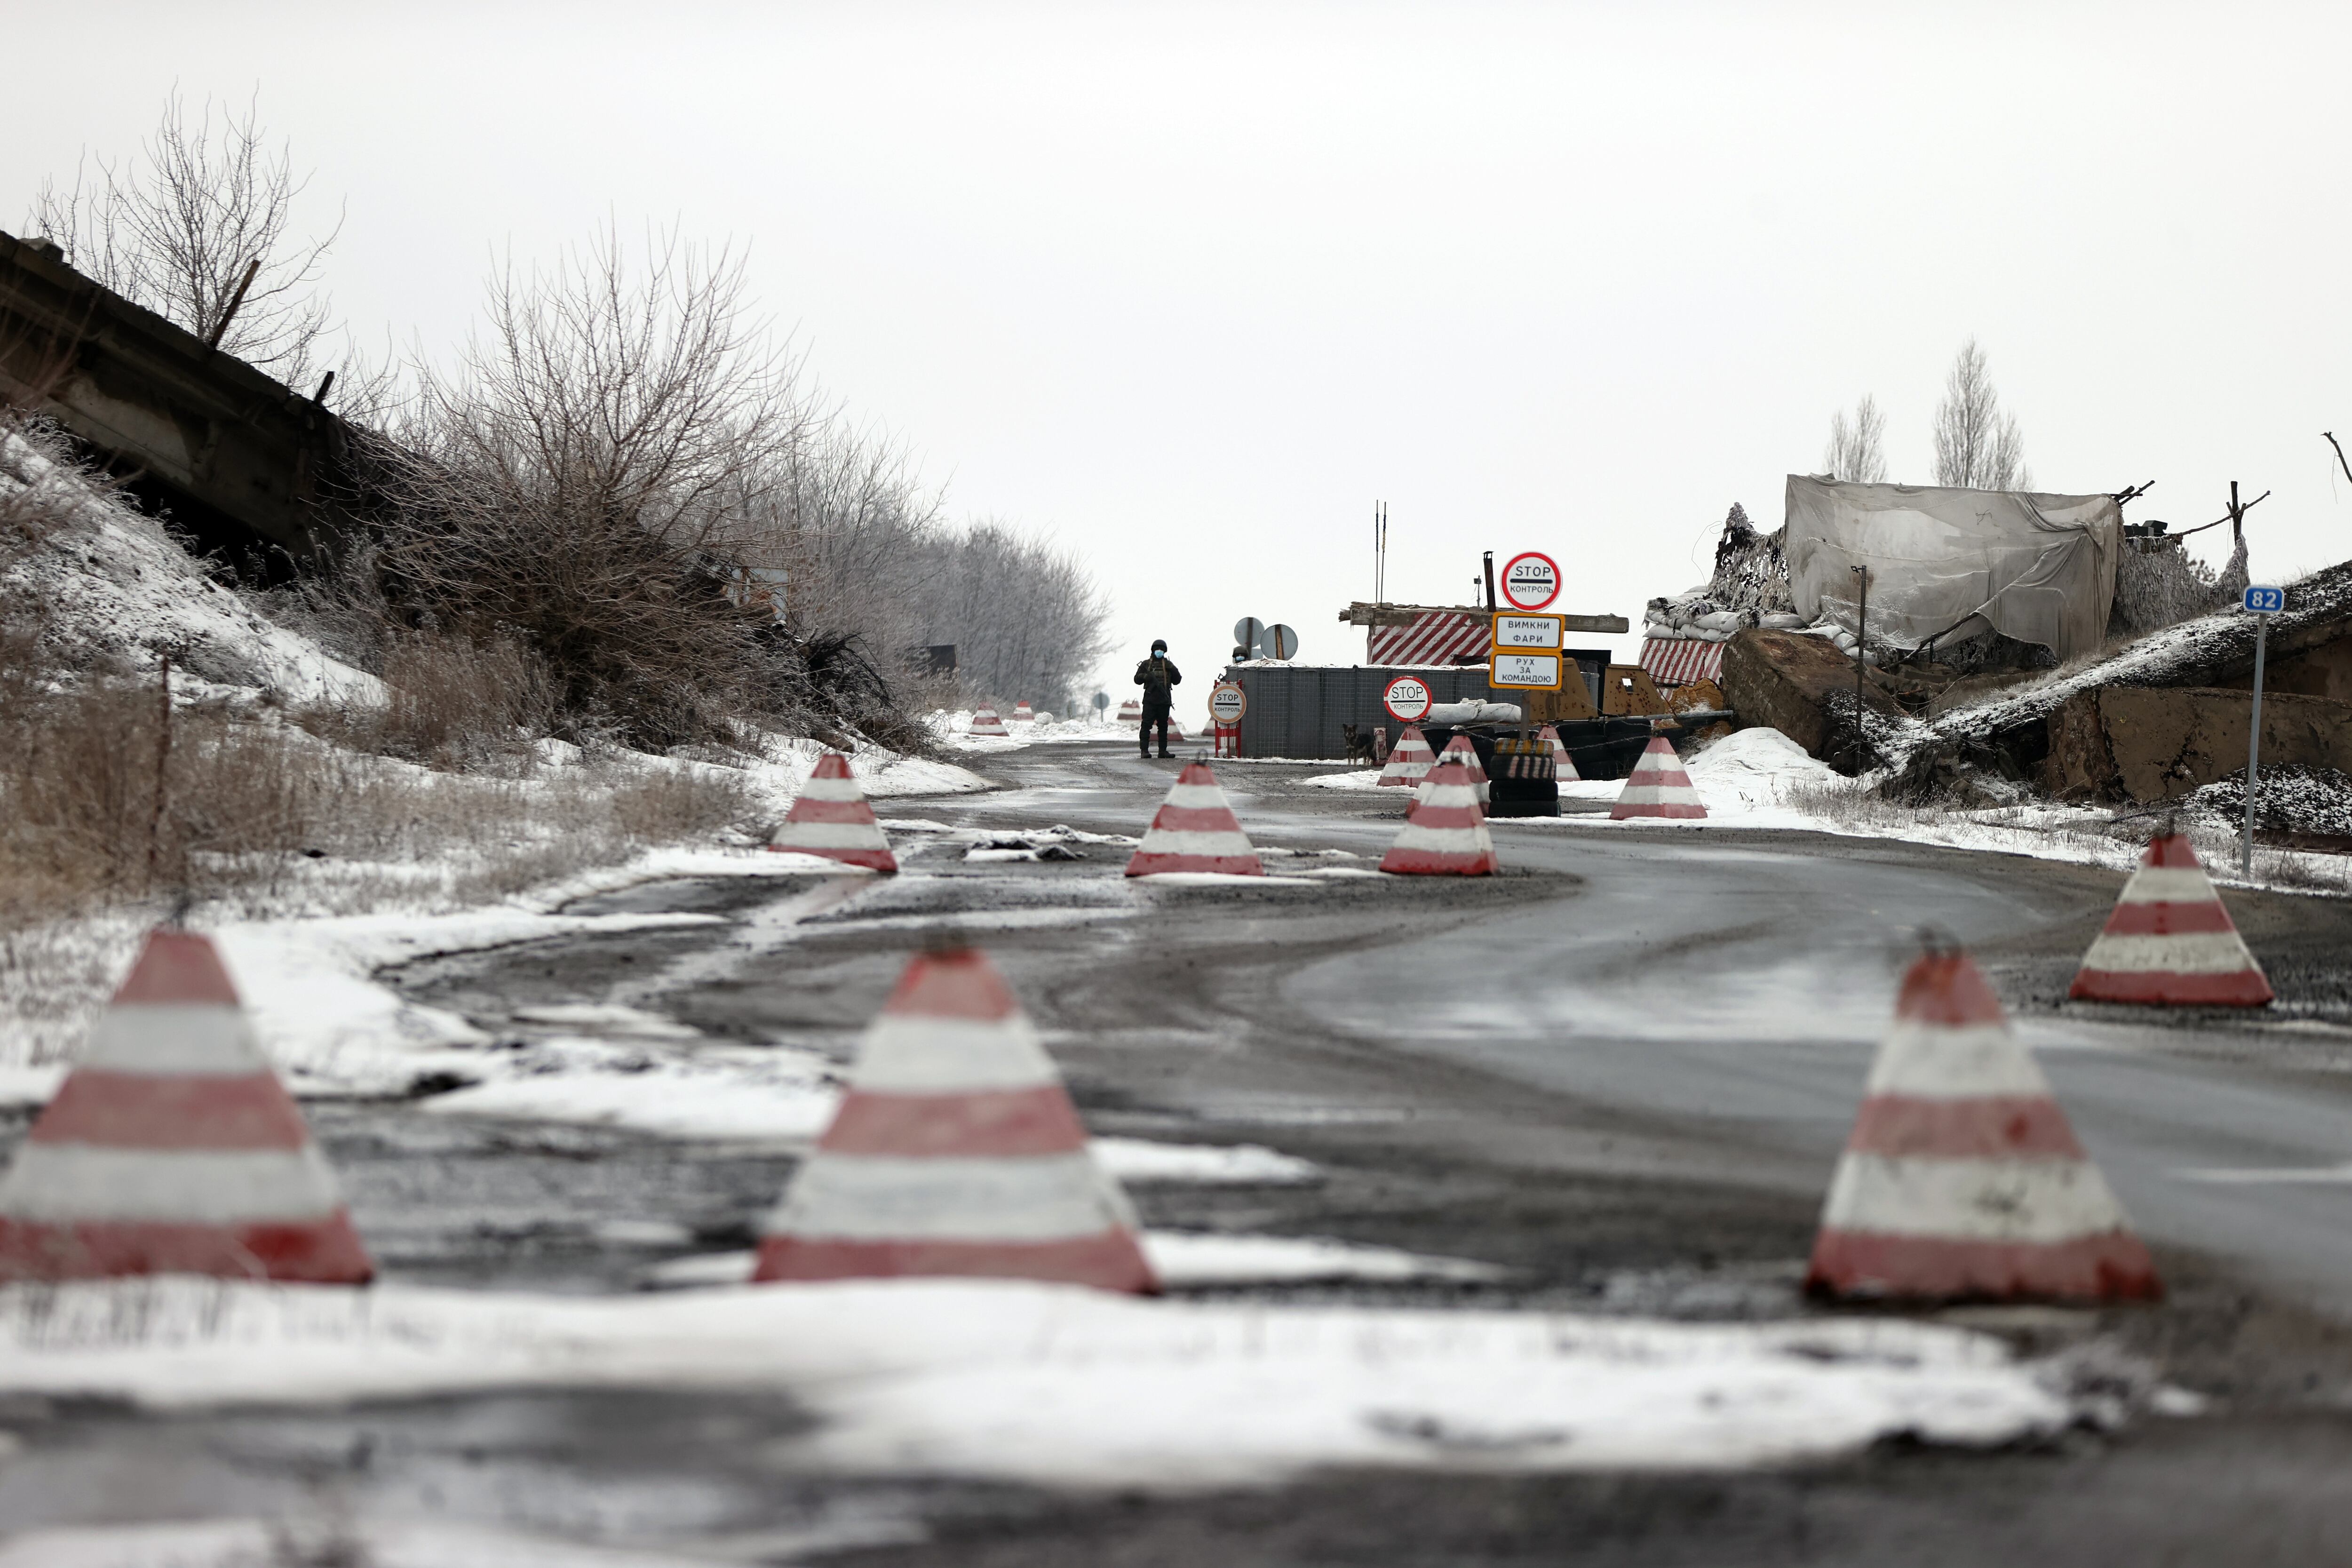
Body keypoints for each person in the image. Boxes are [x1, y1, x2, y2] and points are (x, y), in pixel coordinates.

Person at [1134, 639, 1181, 758]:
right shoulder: (1146, 664)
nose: (1159, 652)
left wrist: (1173, 669)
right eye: (1157, 650)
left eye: (1161, 650)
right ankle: (1144, 751)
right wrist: (1146, 677)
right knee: (1146, 725)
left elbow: (1177, 680)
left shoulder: (1168, 665)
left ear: (1165, 652)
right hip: (1150, 700)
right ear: (1153, 651)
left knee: (1163, 726)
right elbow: (1137, 680)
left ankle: (1163, 751)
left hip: (1164, 701)